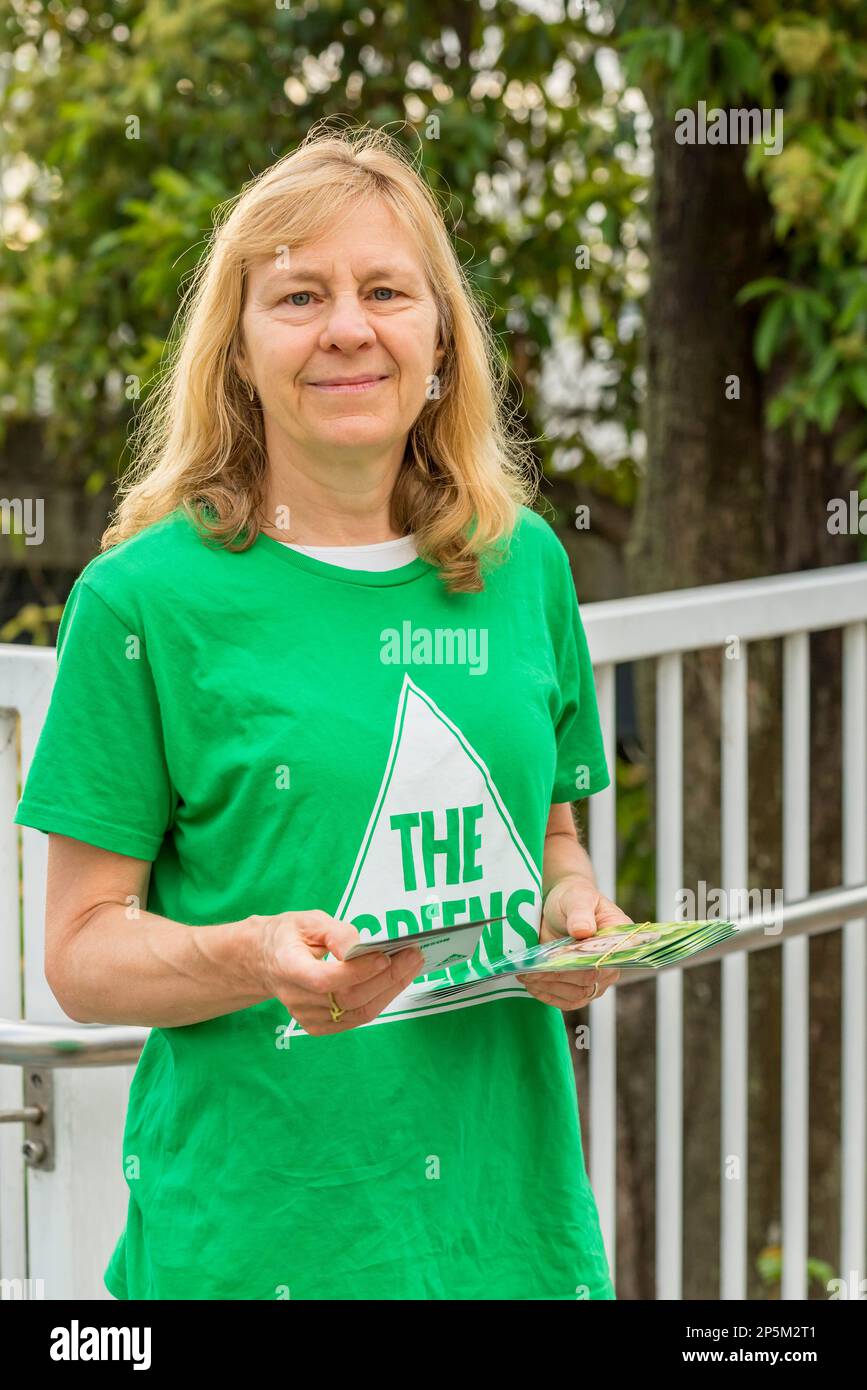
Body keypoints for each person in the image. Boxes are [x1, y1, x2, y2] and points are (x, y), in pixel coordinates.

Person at [14, 123, 632, 1301]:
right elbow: (84, 952)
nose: (348, 326)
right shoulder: (142, 600)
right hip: (254, 1252)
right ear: (239, 349)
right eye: (298, 295)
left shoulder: (525, 568)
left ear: (439, 337)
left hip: (509, 1240)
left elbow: (551, 837)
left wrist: (572, 911)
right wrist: (252, 955)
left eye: (386, 290)